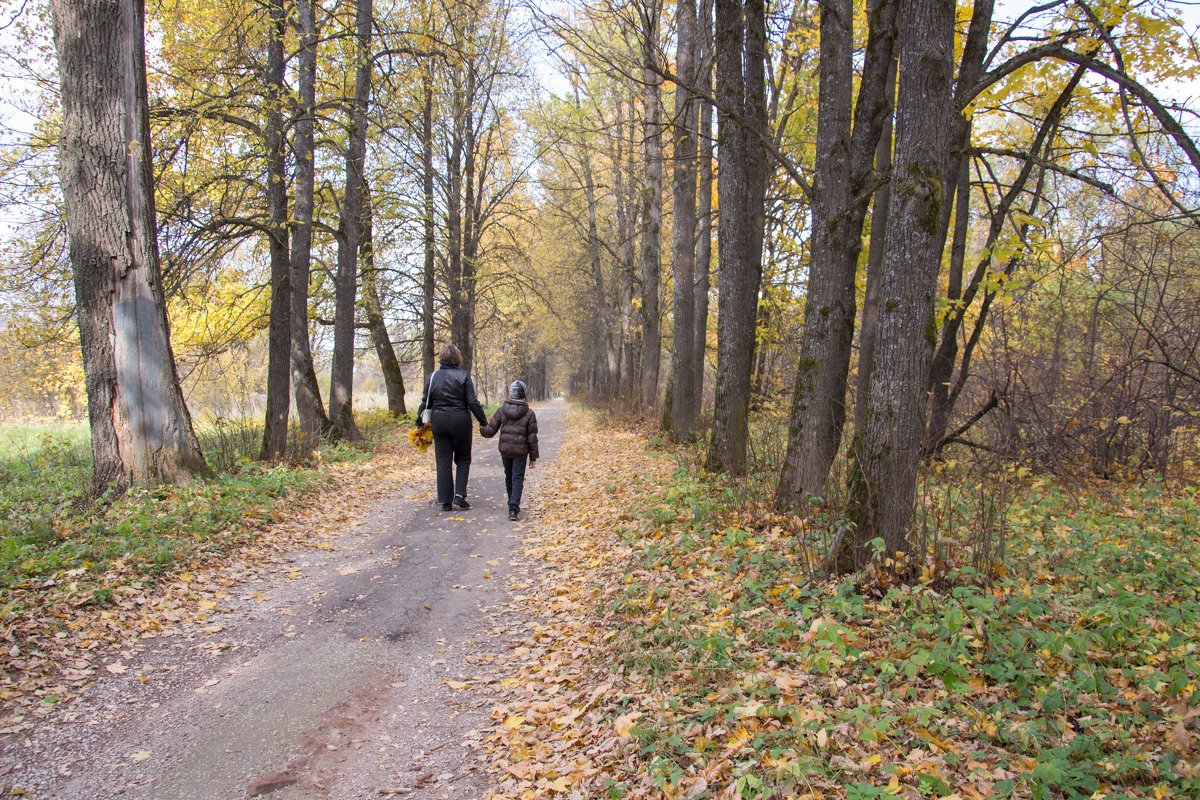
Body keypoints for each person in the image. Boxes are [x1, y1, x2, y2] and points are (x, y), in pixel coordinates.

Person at [416, 343, 488, 511]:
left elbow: (426, 402)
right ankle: (460, 495)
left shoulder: (432, 377)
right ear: (457, 359)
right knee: (463, 459)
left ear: (442, 358)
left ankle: (445, 501)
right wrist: (483, 421)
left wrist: (419, 423)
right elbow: (472, 402)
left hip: (439, 421)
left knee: (443, 460)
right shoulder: (464, 376)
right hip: (460, 421)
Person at [480, 380, 539, 521]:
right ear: (524, 394)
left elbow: (490, 430)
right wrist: (533, 456)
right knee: (517, 478)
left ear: (511, 394)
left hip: (505, 450)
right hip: (520, 452)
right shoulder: (529, 413)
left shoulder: (502, 410)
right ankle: (513, 508)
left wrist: (481, 428)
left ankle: (511, 504)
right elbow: (532, 437)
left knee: (509, 476)